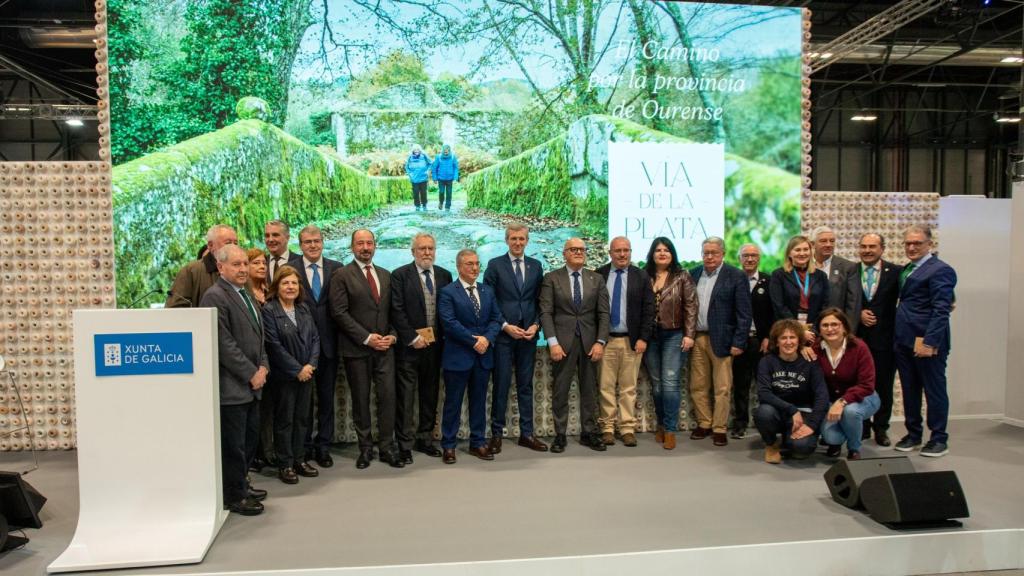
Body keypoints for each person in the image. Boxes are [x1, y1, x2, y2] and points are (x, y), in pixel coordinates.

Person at [199, 244, 269, 515]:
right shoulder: (215, 296)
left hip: (254, 383)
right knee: (234, 446)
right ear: (221, 267)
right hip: (233, 386)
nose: (243, 269)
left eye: (245, 264)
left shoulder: (247, 294)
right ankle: (234, 496)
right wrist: (250, 372)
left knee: (249, 441)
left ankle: (243, 484)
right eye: (236, 265)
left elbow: (260, 337)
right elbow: (224, 344)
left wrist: (262, 366)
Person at [329, 229, 401, 469]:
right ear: (352, 247)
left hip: (385, 350)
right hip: (356, 350)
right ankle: (365, 449)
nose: (365, 247)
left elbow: (393, 312)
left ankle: (387, 448)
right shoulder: (341, 275)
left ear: (375, 246)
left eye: (369, 243)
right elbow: (339, 312)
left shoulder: (386, 275)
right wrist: (367, 338)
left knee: (388, 398)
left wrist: (392, 336)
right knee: (360, 400)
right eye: (360, 243)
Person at [539, 237, 610, 453]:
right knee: (560, 389)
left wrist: (600, 341)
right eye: (574, 249)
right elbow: (546, 312)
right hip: (562, 344)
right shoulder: (552, 278)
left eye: (582, 249)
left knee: (589, 390)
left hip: (590, 344)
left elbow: (604, 313)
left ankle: (589, 433)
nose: (579, 252)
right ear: (565, 253)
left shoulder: (596, 279)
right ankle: (560, 434)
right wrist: (552, 342)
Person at [483, 223, 548, 453]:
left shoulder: (536, 266)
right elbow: (488, 301)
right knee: (501, 384)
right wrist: (504, 325)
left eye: (522, 239)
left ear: (527, 241)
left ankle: (527, 434)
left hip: (528, 336)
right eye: (513, 239)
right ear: (506, 240)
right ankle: (497, 435)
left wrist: (537, 324)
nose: (518, 243)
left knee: (525, 386)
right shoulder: (494, 266)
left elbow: (542, 300)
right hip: (504, 335)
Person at [893, 225, 957, 457]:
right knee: (910, 389)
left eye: (917, 243)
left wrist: (930, 342)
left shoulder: (940, 270)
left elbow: (942, 309)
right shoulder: (906, 269)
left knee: (934, 390)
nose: (911, 247)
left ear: (929, 244)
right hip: (903, 340)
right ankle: (913, 434)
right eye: (908, 243)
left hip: (928, 342)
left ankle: (939, 438)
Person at [437, 249, 503, 464]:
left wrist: (487, 339)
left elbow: (496, 319)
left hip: (483, 357)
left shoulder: (487, 291)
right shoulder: (448, 292)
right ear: (458, 267)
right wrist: (474, 341)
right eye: (469, 264)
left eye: (476, 263)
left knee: (479, 401)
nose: (475, 268)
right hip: (458, 357)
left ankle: (478, 442)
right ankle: (448, 445)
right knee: (453, 403)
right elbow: (449, 323)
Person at [391, 233, 453, 462]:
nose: (427, 253)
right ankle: (405, 445)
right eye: (422, 249)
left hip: (436, 348)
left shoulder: (445, 275)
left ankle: (425, 438)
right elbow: (396, 310)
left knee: (430, 394)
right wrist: (411, 337)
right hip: (409, 349)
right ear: (413, 252)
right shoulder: (399, 276)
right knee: (406, 398)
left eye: (430, 248)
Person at [688, 237, 752, 447]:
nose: (709, 257)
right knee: (698, 385)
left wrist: (739, 341)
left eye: (714, 252)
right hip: (698, 337)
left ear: (723, 253)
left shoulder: (736, 276)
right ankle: (704, 423)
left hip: (724, 340)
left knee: (722, 387)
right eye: (706, 252)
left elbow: (744, 313)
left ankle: (719, 428)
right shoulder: (694, 273)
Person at [262, 265, 321, 484]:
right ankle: (285, 464)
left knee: (302, 419)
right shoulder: (269, 310)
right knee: (284, 420)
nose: (290, 287)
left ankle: (299, 459)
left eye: (294, 283)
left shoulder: (304, 308)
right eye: (285, 283)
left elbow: (315, 339)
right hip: (284, 377)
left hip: (307, 374)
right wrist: (297, 369)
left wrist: (310, 366)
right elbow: (274, 346)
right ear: (277, 286)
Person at [843, 233, 902, 446]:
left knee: (883, 385)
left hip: (885, 341)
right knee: (858, 384)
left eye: (872, 246)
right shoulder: (850, 271)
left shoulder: (895, 272)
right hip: (856, 340)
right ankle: (863, 427)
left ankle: (881, 429)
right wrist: (858, 314)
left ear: (882, 249)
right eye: (863, 246)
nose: (867, 250)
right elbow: (844, 301)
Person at [596, 237, 655, 447]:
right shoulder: (599, 275)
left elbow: (649, 310)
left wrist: (643, 338)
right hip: (606, 341)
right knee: (605, 387)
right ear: (610, 252)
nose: (622, 255)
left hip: (632, 341)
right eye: (618, 251)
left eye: (626, 250)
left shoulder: (641, 276)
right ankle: (608, 428)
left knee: (628, 388)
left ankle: (627, 428)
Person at [292, 225, 342, 468]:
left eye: (317, 241)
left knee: (326, 399)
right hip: (300, 349)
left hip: (330, 346)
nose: (313, 245)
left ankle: (323, 446)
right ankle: (303, 448)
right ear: (300, 245)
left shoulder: (336, 268)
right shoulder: (290, 270)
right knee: (303, 402)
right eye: (307, 242)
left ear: (323, 242)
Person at [642, 237, 696, 450]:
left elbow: (691, 306)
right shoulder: (644, 276)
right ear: (652, 254)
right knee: (656, 384)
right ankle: (662, 425)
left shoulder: (682, 276)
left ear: (672, 254)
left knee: (670, 382)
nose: (662, 253)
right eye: (658, 250)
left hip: (674, 335)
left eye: (666, 250)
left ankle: (671, 429)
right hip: (650, 336)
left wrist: (689, 334)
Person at [807, 308, 879, 460]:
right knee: (831, 437)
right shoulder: (815, 349)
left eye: (835, 324)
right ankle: (837, 442)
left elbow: (867, 385)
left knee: (850, 412)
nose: (830, 329)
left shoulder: (859, 347)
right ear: (819, 329)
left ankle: (854, 448)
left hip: (864, 397)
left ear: (844, 327)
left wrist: (842, 401)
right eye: (825, 325)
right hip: (831, 400)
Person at [755, 319, 828, 464]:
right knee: (763, 413)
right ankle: (771, 444)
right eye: (783, 338)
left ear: (799, 340)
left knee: (801, 450)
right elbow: (764, 393)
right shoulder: (767, 361)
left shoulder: (810, 362)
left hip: (804, 412)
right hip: (778, 411)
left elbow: (822, 396)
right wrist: (792, 410)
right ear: (776, 342)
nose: (788, 342)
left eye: (792, 337)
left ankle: (790, 439)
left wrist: (812, 425)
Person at [730, 243, 774, 440]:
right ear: (739, 258)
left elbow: (775, 312)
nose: (749, 259)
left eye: (753, 256)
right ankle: (740, 423)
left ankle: (769, 423)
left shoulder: (769, 281)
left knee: (765, 385)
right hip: (739, 342)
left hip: (761, 342)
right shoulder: (732, 280)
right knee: (740, 385)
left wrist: (768, 338)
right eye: (745, 255)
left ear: (759, 258)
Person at [245, 247, 274, 473]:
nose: (262, 266)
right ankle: (254, 455)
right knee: (255, 412)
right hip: (254, 362)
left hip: (275, 359)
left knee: (271, 409)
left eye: (264, 263)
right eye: (256, 263)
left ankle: (268, 451)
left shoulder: (271, 291)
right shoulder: (244, 295)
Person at [769, 235, 830, 340]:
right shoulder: (778, 275)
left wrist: (813, 330)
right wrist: (799, 330)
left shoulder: (821, 276)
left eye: (806, 249)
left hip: (815, 331)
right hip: (787, 331)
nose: (802, 253)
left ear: (811, 252)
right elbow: (779, 306)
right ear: (789, 253)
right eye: (797, 250)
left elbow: (825, 306)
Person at [166, 224, 238, 307]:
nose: (233, 247)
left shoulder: (241, 271)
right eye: (228, 243)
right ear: (211, 246)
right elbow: (175, 308)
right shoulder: (191, 271)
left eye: (236, 243)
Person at [811, 226, 857, 310]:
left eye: (832, 241)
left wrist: (849, 323)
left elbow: (853, 302)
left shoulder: (848, 267)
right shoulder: (804, 265)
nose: (828, 244)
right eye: (823, 241)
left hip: (836, 320)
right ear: (813, 244)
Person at [430, 144, 459, 212]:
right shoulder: (438, 157)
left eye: (447, 151)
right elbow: (434, 168)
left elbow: (456, 168)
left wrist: (455, 178)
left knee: (449, 193)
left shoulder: (452, 157)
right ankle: (441, 202)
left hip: (450, 178)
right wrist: (434, 178)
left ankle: (447, 206)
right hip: (441, 178)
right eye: (445, 151)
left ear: (449, 151)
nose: (446, 152)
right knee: (441, 192)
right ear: (442, 151)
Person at [405, 144, 432, 212]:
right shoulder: (410, 157)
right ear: (413, 151)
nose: (416, 151)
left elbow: (430, 163)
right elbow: (406, 167)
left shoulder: (424, 156)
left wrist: (427, 171)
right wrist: (410, 174)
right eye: (415, 149)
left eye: (418, 149)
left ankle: (424, 205)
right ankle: (417, 206)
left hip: (423, 178)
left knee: (423, 192)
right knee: (416, 193)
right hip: (414, 179)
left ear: (420, 150)